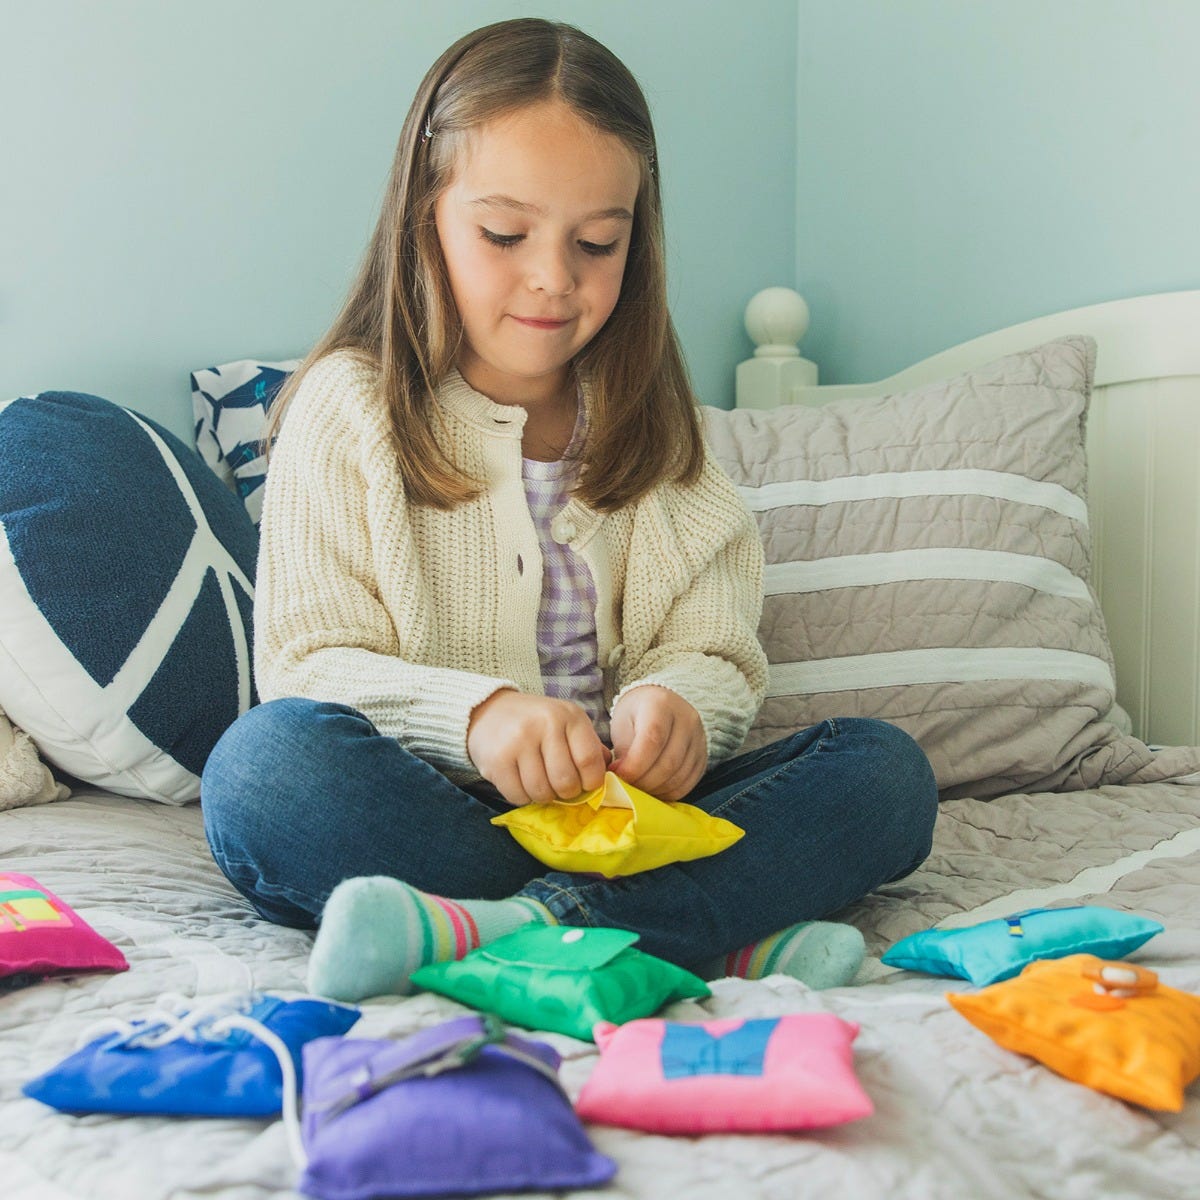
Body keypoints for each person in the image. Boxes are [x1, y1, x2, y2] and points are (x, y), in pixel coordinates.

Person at [200, 17, 938, 1003]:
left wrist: (671, 705)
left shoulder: (658, 435)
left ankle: (521, 934)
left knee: (886, 776)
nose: (555, 276)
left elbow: (714, 648)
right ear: (428, 217)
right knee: (262, 775)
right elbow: (309, 662)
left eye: (597, 242)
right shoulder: (350, 407)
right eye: (505, 234)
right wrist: (481, 720)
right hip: (433, 816)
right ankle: (693, 942)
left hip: (633, 829)